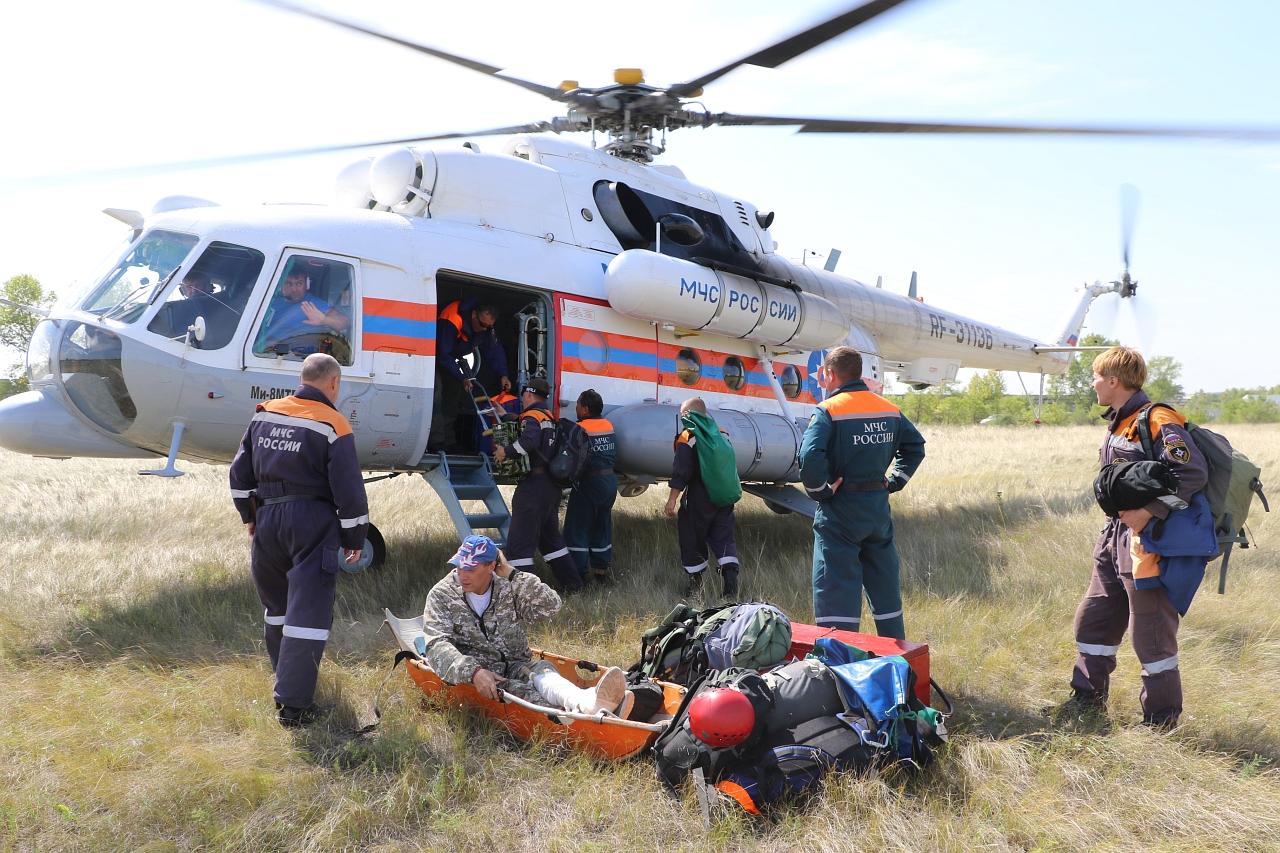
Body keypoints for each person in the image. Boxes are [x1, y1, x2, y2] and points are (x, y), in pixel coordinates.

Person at [1058, 346, 1208, 729]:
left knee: (1151, 636)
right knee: (1094, 619)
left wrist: (1149, 512)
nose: (1092, 384)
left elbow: (1192, 473)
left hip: (1146, 543)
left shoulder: (1158, 419)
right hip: (1113, 538)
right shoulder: (1120, 421)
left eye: (1095, 377)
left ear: (1113, 381)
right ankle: (1087, 701)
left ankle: (1161, 723)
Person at [228, 353, 369, 727]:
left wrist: (249, 516)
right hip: (311, 521)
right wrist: (354, 537)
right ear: (334, 383)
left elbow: (238, 475)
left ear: (302, 378)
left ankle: (285, 680)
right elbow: (349, 491)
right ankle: (294, 706)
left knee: (277, 609)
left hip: (267, 519)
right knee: (308, 613)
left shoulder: (265, 414)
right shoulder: (334, 424)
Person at [421, 534, 633, 717]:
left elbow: (551, 605)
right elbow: (436, 645)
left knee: (545, 674)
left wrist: (512, 574)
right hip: (483, 676)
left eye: (470, 568)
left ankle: (588, 704)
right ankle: (592, 709)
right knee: (535, 699)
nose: (462, 573)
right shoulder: (442, 595)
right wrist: (474, 672)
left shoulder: (507, 585)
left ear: (491, 566)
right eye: (459, 566)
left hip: (519, 665)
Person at [799, 346, 925, 641]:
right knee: (885, 587)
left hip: (840, 510)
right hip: (877, 510)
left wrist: (820, 491)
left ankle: (839, 657)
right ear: (859, 373)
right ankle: (896, 652)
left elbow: (809, 456)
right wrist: (893, 482)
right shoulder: (889, 409)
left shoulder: (829, 410)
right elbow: (915, 447)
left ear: (830, 373)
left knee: (836, 588)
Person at [492, 378, 582, 592]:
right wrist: (505, 415)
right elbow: (531, 429)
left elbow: (529, 441)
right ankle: (573, 586)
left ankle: (524, 593)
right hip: (550, 488)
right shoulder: (548, 416)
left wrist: (506, 451)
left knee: (519, 545)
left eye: (523, 395)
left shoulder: (532, 416)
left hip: (533, 487)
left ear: (529, 394)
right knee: (551, 542)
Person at [664, 397, 740, 599]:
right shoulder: (721, 434)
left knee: (691, 537)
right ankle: (731, 585)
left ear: (688, 415)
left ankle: (696, 587)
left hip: (699, 497)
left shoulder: (688, 436)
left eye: (683, 414)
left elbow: (681, 471)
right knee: (724, 537)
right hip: (723, 496)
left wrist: (672, 499)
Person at [429, 298, 512, 452]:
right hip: (432, 358)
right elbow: (443, 354)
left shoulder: (485, 328)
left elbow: (494, 350)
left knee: (453, 395)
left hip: (450, 359)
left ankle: (448, 442)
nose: (484, 329)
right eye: (482, 324)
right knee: (436, 394)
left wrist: (503, 374)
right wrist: (462, 377)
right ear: (474, 315)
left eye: (488, 326)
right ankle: (436, 443)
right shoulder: (452, 319)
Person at [563, 389, 617, 584]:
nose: (576, 407)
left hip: (589, 483)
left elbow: (572, 459)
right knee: (602, 527)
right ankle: (601, 572)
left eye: (578, 404)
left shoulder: (581, 428)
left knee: (577, 528)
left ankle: (578, 575)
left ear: (585, 409)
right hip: (609, 483)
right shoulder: (608, 425)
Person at [260, 268, 350, 350]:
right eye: (289, 283)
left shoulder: (314, 303)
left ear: (306, 285)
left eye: (299, 283)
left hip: (296, 354)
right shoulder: (272, 301)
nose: (294, 289)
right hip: (266, 349)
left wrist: (324, 319)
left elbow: (344, 322)